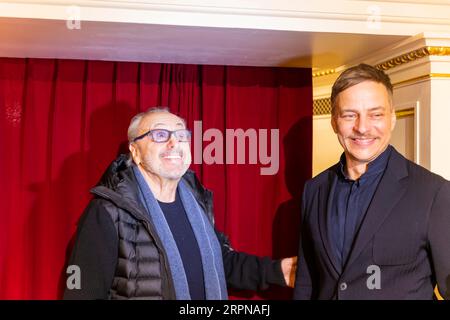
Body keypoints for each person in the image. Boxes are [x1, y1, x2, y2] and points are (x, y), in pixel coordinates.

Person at [64, 107, 296, 300]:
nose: (174, 142)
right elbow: (80, 294)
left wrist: (277, 271)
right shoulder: (107, 212)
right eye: (160, 135)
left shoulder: (197, 202)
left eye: (182, 135)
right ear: (135, 152)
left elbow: (220, 263)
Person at [293, 63, 450, 300]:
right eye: (349, 115)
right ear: (334, 121)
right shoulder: (314, 190)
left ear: (392, 119)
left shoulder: (433, 193)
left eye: (375, 114)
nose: (362, 128)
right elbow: (307, 284)